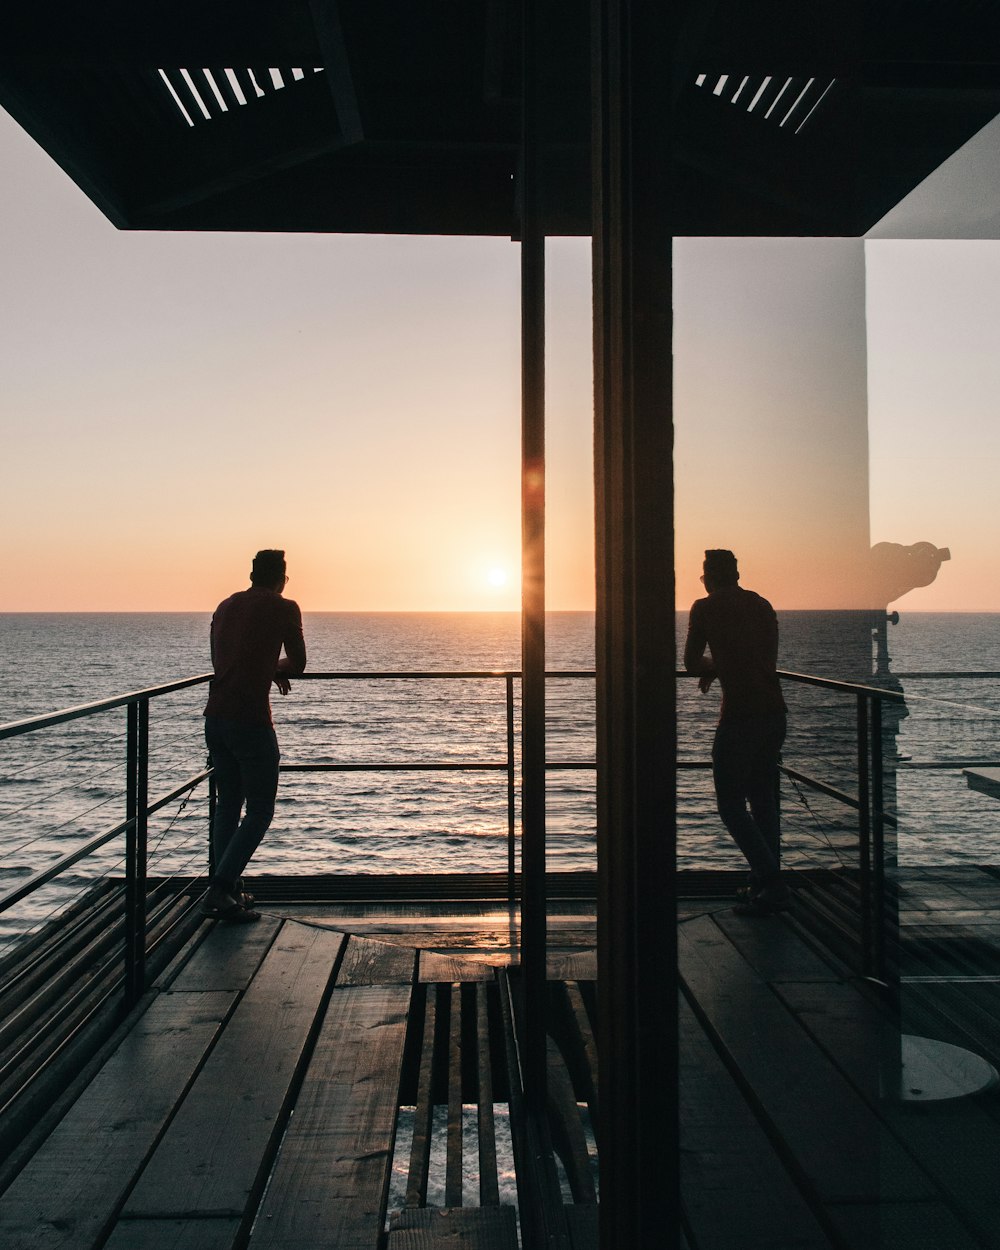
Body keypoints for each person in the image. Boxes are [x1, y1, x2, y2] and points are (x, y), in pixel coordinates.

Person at [684, 549, 791, 915]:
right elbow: (766, 660)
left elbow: (690, 661)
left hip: (740, 714)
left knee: (730, 805)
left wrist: (714, 666)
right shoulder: (761, 605)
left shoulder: (705, 608)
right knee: (763, 800)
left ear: (708, 577)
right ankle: (764, 884)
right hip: (774, 712)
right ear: (737, 573)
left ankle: (772, 881)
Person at [202, 549, 306, 922]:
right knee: (260, 810)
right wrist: (274, 669)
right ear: (282, 579)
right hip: (250, 719)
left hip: (215, 717)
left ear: (251, 575)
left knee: (228, 804)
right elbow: (298, 663)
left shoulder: (226, 605)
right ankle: (219, 890)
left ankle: (226, 889)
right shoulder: (284, 607)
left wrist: (262, 667)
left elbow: (225, 659)